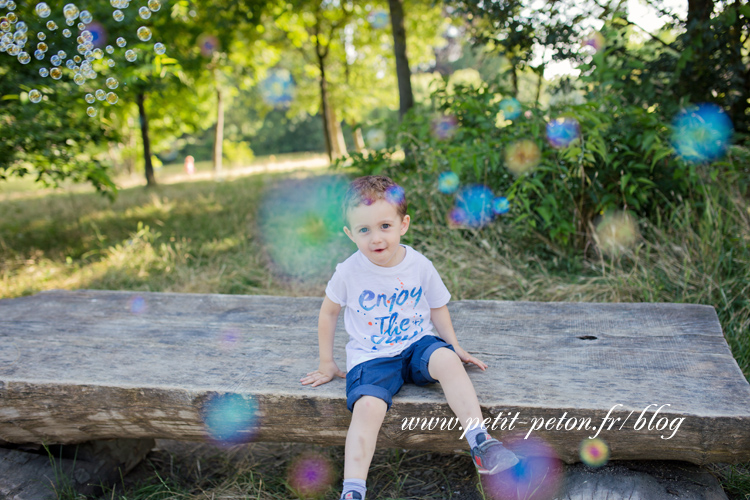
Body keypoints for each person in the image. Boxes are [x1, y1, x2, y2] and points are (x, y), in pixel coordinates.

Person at [300, 175, 519, 500]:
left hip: (417, 344)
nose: (376, 238)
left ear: (403, 224)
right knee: (368, 408)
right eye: (364, 230)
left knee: (446, 359)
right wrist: (327, 362)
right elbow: (328, 313)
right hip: (372, 357)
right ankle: (353, 490)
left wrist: (454, 344)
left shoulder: (419, 264)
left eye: (385, 226)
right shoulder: (349, 272)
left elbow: (437, 305)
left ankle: (481, 443)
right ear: (349, 233)